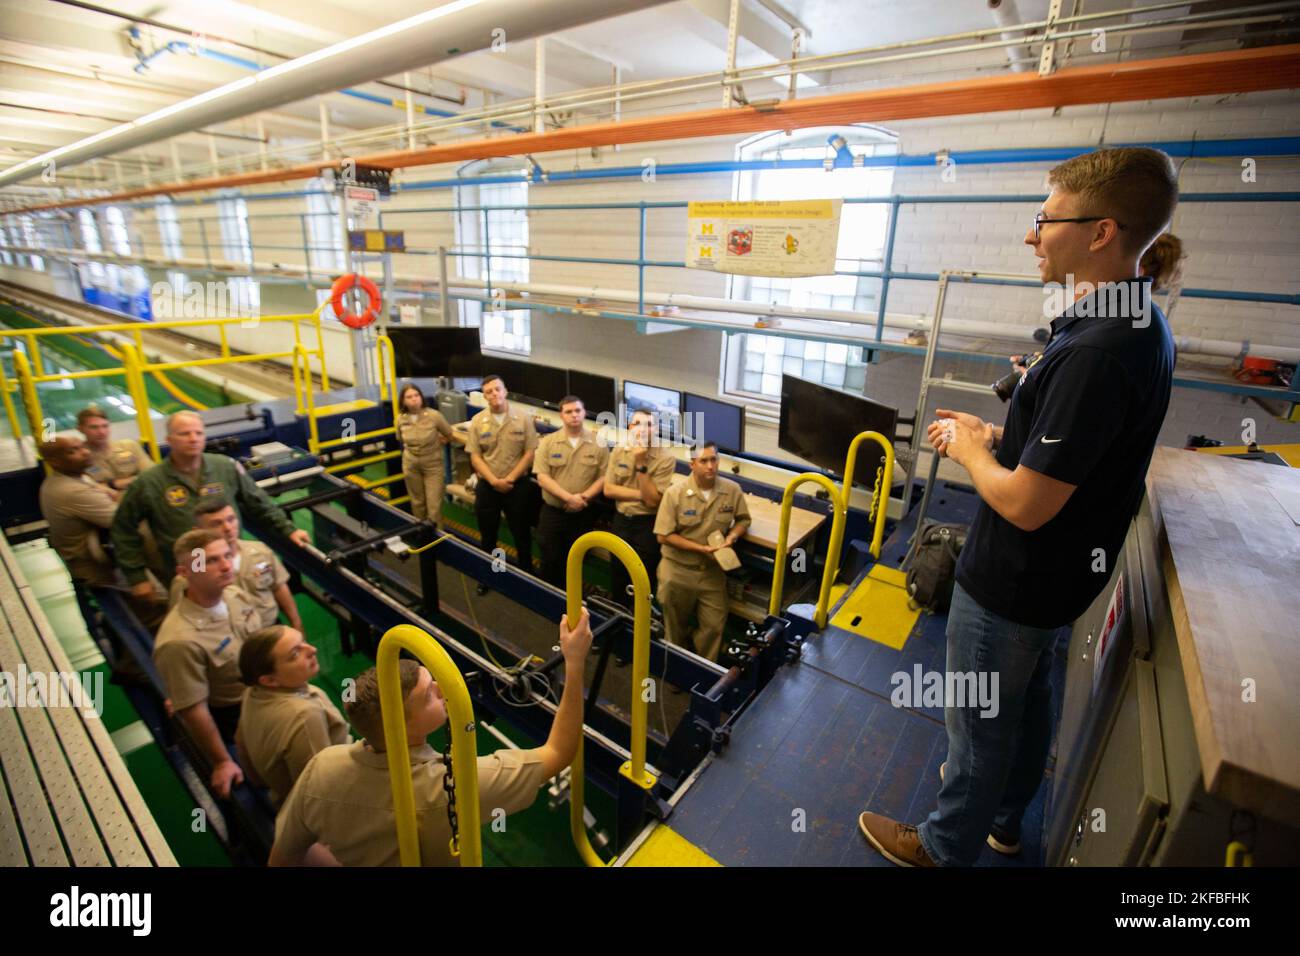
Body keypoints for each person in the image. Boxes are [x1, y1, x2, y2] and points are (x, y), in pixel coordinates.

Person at [857, 147, 1177, 867]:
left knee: (974, 722)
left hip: (1015, 577)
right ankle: (1005, 821)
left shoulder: (1097, 351)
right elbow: (1076, 451)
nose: (1032, 235)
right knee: (1027, 705)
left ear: (1101, 232)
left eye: (1045, 218)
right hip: (1059, 580)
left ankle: (941, 847)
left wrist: (971, 447)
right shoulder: (1134, 322)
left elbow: (1028, 505)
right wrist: (1011, 434)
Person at [268, 608, 595, 867]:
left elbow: (283, 856)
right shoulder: (455, 785)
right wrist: (575, 660)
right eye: (428, 695)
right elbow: (558, 751)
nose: (442, 688)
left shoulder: (322, 767)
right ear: (403, 727)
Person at [111, 411, 309, 597]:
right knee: (204, 616)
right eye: (185, 433)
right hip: (191, 566)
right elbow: (123, 528)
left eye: (198, 432)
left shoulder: (223, 467)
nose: (193, 438)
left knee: (244, 607)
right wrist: (137, 577)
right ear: (169, 440)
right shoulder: (149, 483)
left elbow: (258, 502)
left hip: (230, 563)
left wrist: (288, 530)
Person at [153, 528, 262, 798]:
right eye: (211, 561)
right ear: (184, 572)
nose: (226, 566)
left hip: (265, 691)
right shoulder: (179, 640)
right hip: (235, 714)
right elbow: (194, 710)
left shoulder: (234, 594)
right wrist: (222, 761)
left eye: (227, 555)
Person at [37, 436, 165, 626]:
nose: (85, 452)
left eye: (82, 446)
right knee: (158, 607)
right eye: (74, 451)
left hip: (102, 552)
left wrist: (116, 492)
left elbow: (114, 497)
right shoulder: (71, 491)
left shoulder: (77, 476)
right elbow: (125, 518)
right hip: (99, 570)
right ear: (54, 461)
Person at [653, 441, 751, 662]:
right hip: (678, 571)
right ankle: (677, 668)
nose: (710, 466)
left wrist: (732, 537)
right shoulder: (674, 493)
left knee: (714, 627)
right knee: (674, 627)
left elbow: (744, 520)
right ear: (692, 464)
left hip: (711, 572)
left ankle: (703, 672)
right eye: (703, 461)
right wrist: (702, 548)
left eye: (714, 460)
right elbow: (664, 535)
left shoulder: (731, 490)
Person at [234, 625, 351, 808]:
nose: (312, 649)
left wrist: (260, 784)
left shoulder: (252, 691)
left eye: (303, 642)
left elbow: (240, 743)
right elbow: (321, 790)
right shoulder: (304, 716)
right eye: (295, 654)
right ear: (270, 680)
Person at [170, 498, 302, 632]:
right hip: (229, 640)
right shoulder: (194, 572)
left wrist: (297, 625)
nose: (228, 528)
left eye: (231, 519)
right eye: (216, 524)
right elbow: (182, 620)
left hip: (270, 629)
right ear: (198, 531)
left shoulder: (260, 551)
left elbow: (279, 587)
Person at [465, 374, 539, 590]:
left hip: (517, 486)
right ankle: (492, 574)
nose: (494, 394)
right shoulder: (478, 421)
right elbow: (475, 457)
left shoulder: (523, 418)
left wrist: (510, 479)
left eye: (497, 389)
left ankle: (527, 577)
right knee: (489, 535)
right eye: (489, 391)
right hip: (489, 486)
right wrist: (494, 481)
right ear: (485, 396)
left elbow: (530, 453)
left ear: (505, 391)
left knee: (521, 533)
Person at [532, 395, 609, 587]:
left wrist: (583, 498)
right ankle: (550, 598)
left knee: (576, 559)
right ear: (561, 415)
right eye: (569, 411)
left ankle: (573, 602)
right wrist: (569, 498)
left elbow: (604, 477)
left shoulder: (599, 443)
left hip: (582, 514)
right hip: (554, 512)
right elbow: (542, 477)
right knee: (550, 557)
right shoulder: (548, 442)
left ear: (584, 413)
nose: (574, 415)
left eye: (577, 411)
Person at [604, 407, 675, 607]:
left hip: (647, 526)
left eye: (649, 425)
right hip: (621, 522)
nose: (643, 429)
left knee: (642, 580)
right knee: (618, 574)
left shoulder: (665, 458)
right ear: (630, 427)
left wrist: (641, 462)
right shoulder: (619, 450)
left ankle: (640, 627)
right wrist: (641, 495)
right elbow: (608, 490)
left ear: (657, 429)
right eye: (638, 424)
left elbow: (652, 502)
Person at [395, 383, 462, 527]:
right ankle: (422, 535)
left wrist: (440, 441)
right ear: (403, 401)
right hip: (411, 464)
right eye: (409, 397)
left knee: (434, 506)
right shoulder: (400, 419)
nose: (414, 399)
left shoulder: (434, 416)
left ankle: (437, 539)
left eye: (416, 395)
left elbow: (449, 434)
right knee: (417, 503)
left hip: (433, 465)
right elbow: (400, 438)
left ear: (421, 397)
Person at [76, 406, 152, 500]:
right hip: (111, 505)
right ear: (80, 429)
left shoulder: (129, 446)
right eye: (94, 427)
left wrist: (110, 485)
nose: (102, 432)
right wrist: (127, 481)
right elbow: (88, 490)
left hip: (143, 497)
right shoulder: (80, 457)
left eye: (105, 426)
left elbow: (151, 475)